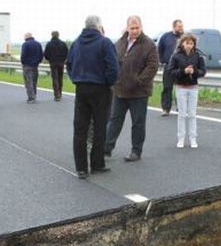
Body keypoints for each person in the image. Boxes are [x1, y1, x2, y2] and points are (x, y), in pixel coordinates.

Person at [66, 15, 119, 179]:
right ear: (98, 26)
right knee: (99, 127)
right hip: (100, 88)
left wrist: (76, 78)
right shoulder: (105, 42)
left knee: (80, 128)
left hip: (81, 88)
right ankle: (97, 164)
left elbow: (69, 64)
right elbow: (113, 67)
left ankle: (81, 168)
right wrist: (108, 82)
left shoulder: (76, 43)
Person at [105, 15, 159, 162]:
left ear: (141, 27)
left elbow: (153, 66)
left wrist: (138, 81)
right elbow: (113, 61)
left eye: (137, 28)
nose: (134, 31)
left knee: (138, 123)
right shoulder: (120, 42)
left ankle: (136, 151)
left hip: (139, 92)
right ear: (127, 28)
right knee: (114, 121)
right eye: (132, 28)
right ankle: (106, 149)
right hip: (120, 89)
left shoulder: (149, 45)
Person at [167, 33, 206, 148]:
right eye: (187, 43)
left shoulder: (198, 56)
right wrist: (183, 71)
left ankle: (193, 138)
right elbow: (170, 71)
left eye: (191, 43)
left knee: (192, 114)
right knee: (182, 114)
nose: (189, 45)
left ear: (194, 44)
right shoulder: (176, 56)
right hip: (180, 87)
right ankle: (181, 138)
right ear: (182, 43)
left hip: (193, 87)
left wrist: (195, 72)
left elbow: (203, 71)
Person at [158, 19, 184, 116]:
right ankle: (166, 109)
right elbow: (160, 49)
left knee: (181, 88)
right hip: (169, 67)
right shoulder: (166, 37)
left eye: (182, 27)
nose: (181, 29)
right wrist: (162, 60)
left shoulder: (185, 38)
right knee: (167, 88)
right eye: (179, 27)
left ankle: (181, 108)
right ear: (174, 27)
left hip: (181, 68)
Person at [44, 31, 69, 101]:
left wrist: (50, 59)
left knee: (55, 78)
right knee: (60, 78)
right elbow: (67, 53)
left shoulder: (49, 44)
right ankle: (60, 93)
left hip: (53, 63)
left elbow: (46, 54)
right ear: (58, 35)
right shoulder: (63, 43)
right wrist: (63, 60)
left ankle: (57, 95)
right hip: (61, 63)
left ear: (52, 35)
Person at [20, 32, 43, 103]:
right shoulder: (38, 44)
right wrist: (38, 62)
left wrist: (24, 63)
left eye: (24, 36)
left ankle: (31, 98)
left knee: (28, 82)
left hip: (27, 66)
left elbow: (23, 55)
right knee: (34, 81)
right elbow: (41, 55)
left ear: (26, 37)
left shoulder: (25, 44)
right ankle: (34, 95)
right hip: (35, 66)